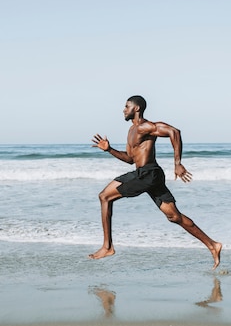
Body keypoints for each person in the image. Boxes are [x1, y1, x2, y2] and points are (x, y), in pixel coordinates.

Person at [90, 95, 222, 269]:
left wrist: (177, 163)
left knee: (104, 196)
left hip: (148, 173)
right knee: (174, 216)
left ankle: (107, 247)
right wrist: (110, 150)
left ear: (136, 108)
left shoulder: (146, 126)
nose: (123, 109)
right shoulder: (131, 131)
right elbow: (130, 159)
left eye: (126, 106)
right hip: (148, 174)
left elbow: (174, 132)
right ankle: (213, 245)